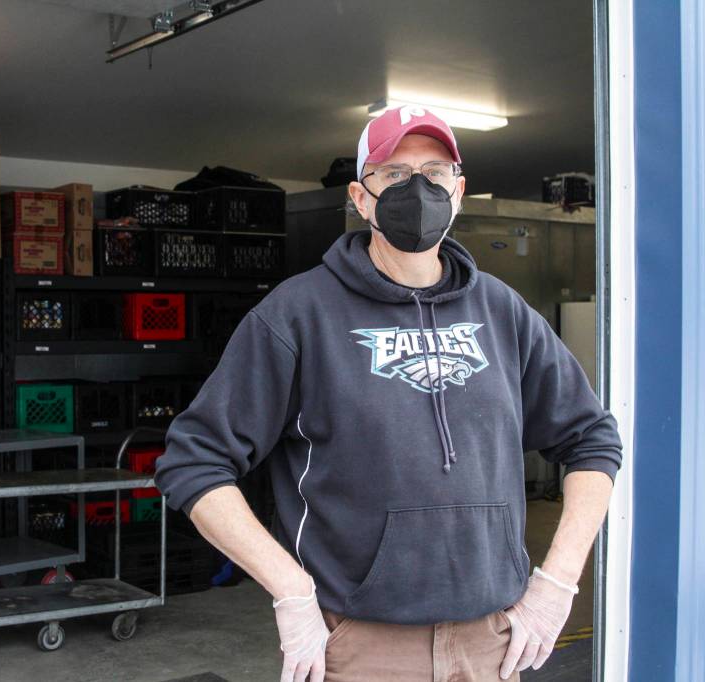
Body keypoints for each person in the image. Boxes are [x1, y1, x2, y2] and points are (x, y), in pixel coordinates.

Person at [154, 107, 623, 681]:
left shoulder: (504, 312)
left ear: (459, 188)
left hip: (492, 640)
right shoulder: (298, 315)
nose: (418, 189)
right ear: (360, 195)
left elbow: (591, 439)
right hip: (361, 644)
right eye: (395, 175)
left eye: (434, 171)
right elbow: (194, 463)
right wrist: (291, 590)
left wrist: (556, 583)